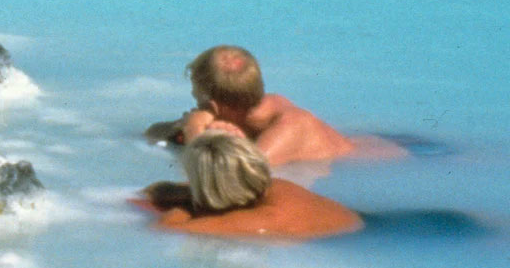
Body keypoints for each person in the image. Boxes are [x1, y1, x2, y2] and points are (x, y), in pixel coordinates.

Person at [158, 45, 391, 165]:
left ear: (214, 106)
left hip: (384, 162)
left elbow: (234, 177)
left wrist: (195, 131)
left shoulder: (288, 127)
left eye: (199, 102)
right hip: (373, 146)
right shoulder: (262, 107)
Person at [141, 131, 361, 241]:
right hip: (357, 235)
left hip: (348, 246)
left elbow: (165, 230)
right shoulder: (276, 186)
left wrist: (186, 206)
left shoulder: (259, 219)